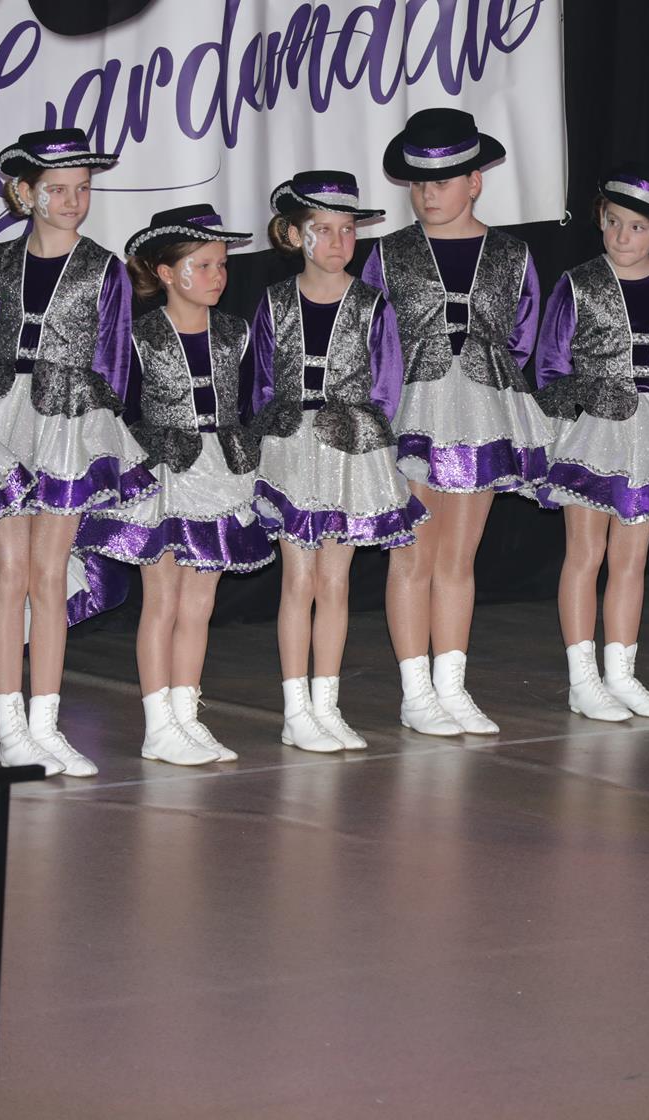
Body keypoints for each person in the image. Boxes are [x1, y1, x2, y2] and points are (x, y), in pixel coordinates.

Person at [367, 107, 550, 737]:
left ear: (474, 182)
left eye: (441, 182)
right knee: (412, 554)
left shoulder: (512, 255)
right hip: (411, 416)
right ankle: (415, 691)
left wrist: (479, 388)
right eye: (418, 182)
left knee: (458, 557)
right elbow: (370, 339)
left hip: (481, 412)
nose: (427, 194)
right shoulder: (389, 254)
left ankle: (451, 684)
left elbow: (520, 340)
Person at [78, 206, 274, 764]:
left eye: (222, 264)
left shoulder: (235, 333)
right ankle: (158, 725)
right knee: (162, 600)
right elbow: (119, 408)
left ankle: (187, 716)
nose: (218, 275)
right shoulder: (139, 337)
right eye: (203, 265)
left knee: (200, 602)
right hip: (162, 476)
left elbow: (248, 405)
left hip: (219, 472)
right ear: (166, 273)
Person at [532, 168, 649, 722]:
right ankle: (582, 678)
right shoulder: (577, 283)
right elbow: (551, 364)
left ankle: (621, 672)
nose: (621, 236)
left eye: (637, 227)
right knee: (585, 553)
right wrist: (567, 426)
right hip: (592, 428)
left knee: (632, 557)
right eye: (613, 222)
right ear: (600, 219)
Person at [0, 128, 156, 778]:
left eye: (82, 189)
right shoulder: (0, 263)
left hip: (66, 426)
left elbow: (112, 364)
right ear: (25, 192)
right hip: (4, 421)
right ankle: (8, 724)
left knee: (47, 574)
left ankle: (45, 722)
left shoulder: (103, 268)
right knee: (8, 575)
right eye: (57, 189)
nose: (71, 201)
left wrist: (95, 440)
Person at [249, 171, 424, 753]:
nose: (337, 241)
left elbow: (387, 391)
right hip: (291, 454)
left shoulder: (374, 306)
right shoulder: (274, 303)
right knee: (298, 580)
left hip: (352, 454)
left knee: (335, 580)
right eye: (322, 229)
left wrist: (372, 450)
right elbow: (261, 386)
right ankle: (295, 709)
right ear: (293, 234)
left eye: (347, 229)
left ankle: (327, 704)